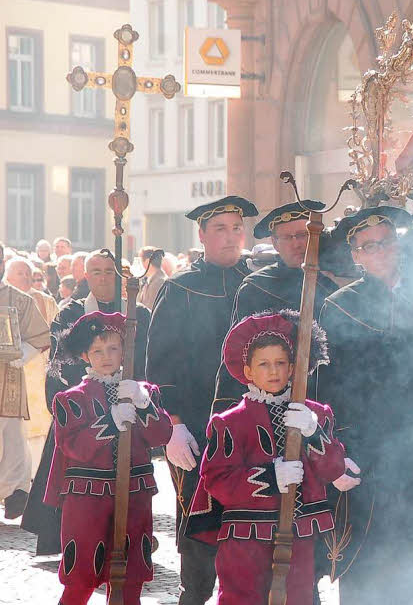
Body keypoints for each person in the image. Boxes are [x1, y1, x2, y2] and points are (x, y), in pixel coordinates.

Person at [317, 206, 413, 602]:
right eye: (368, 246)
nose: (380, 251)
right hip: (364, 449)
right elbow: (324, 388)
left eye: (386, 242)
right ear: (355, 255)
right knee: (365, 563)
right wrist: (331, 453)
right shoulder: (337, 304)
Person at [185, 312, 354, 605]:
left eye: (280, 363)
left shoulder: (315, 414)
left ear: (292, 368)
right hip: (245, 537)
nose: (273, 371)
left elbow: (333, 470)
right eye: (264, 364)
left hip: (299, 534)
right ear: (248, 371)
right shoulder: (230, 422)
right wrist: (270, 477)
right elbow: (215, 479)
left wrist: (314, 432)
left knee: (298, 599)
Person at [146, 195, 258, 605]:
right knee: (199, 530)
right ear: (202, 235)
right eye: (220, 229)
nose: (231, 237)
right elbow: (160, 363)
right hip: (196, 427)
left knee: (250, 526)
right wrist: (172, 425)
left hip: (254, 427)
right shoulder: (180, 289)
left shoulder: (257, 281)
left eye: (236, 228)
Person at [22, 250, 152, 553]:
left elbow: (146, 360)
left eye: (110, 271)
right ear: (87, 276)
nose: (104, 277)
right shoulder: (70, 312)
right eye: (97, 271)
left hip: (126, 405)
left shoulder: (139, 313)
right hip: (82, 409)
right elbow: (58, 362)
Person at [45, 311, 173, 605]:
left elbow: (161, 436)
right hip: (88, 498)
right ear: (85, 356)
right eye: (97, 351)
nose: (106, 356)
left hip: (135, 494)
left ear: (125, 350)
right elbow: (72, 446)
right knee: (81, 576)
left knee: (131, 578)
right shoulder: (70, 399)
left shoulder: (145, 392)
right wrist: (109, 422)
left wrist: (144, 404)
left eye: (113, 348)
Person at [212, 200, 338, 415]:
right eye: (288, 237)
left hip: (320, 399)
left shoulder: (329, 286)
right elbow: (239, 351)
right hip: (266, 404)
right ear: (275, 242)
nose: (297, 244)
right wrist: (225, 409)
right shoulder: (255, 286)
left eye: (302, 235)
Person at [0, 240, 52, 519]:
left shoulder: (20, 300)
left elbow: (41, 337)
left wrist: (22, 353)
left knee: (12, 441)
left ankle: (16, 494)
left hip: (8, 385)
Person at [5, 257, 59, 476]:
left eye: (28, 273)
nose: (26, 277)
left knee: (39, 432)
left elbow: (55, 336)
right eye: (20, 273)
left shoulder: (46, 302)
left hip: (39, 373)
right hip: (8, 374)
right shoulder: (0, 298)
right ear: (7, 277)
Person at [137, 247, 167, 311]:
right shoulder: (152, 280)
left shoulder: (159, 282)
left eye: (140, 260)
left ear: (148, 261)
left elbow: (150, 311)